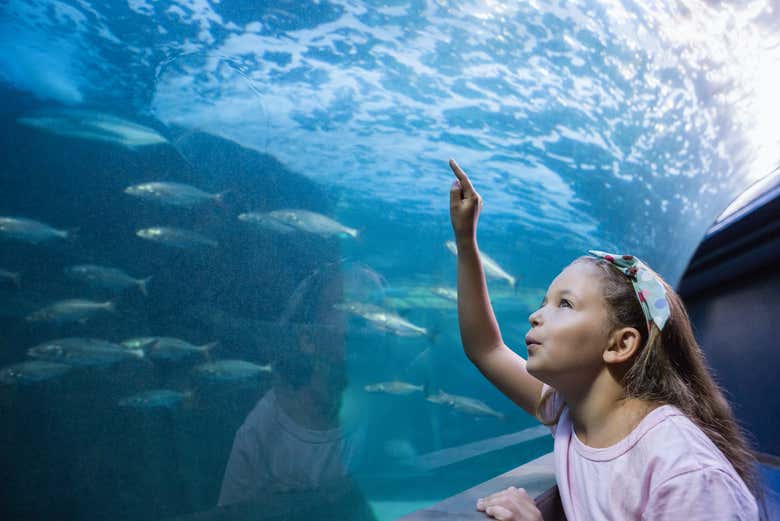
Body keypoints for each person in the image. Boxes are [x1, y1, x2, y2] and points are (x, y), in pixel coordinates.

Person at [447, 159, 767, 521]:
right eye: (543, 303)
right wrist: (466, 240)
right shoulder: (572, 411)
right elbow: (485, 349)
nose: (535, 315)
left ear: (619, 345)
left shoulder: (685, 473)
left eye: (564, 304)